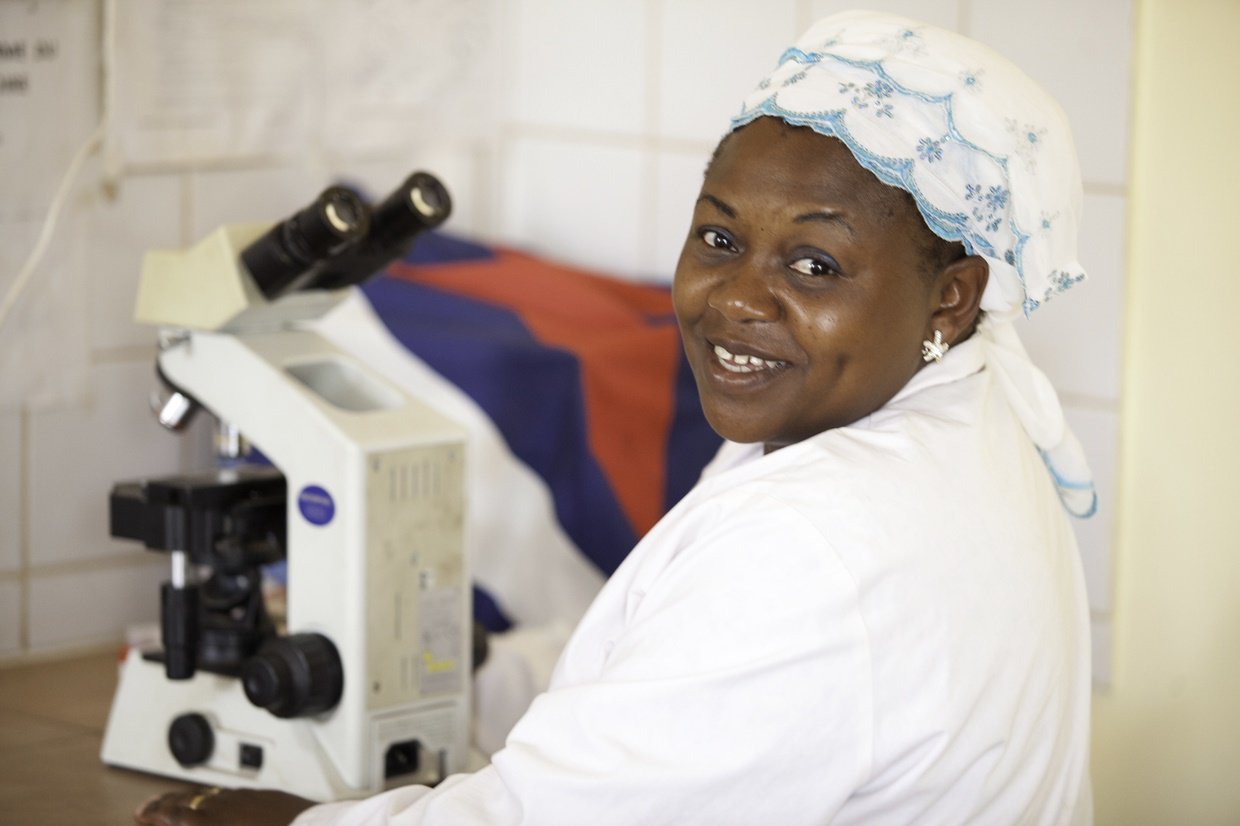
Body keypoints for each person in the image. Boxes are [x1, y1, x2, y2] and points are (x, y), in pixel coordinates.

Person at [135, 10, 1096, 825]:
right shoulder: (945, 424)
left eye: (814, 265)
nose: (737, 300)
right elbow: (683, 672)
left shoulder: (821, 541)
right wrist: (474, 667)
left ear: (951, 298)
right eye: (719, 237)